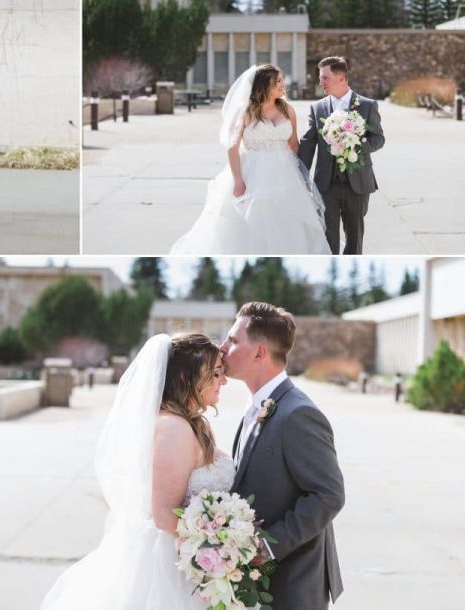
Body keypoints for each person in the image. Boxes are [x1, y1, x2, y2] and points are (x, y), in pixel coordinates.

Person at [40, 333, 233, 609]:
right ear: (184, 378)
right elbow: (165, 515)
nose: (222, 380)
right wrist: (223, 544)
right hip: (171, 570)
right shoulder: (174, 427)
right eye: (214, 373)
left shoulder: (184, 422)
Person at [221, 302, 345, 609]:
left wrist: (265, 546)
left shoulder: (298, 414)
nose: (222, 347)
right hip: (260, 585)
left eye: (233, 340)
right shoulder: (259, 405)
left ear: (260, 353)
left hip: (293, 584)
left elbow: (329, 495)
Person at [170, 64, 330, 255]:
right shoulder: (245, 112)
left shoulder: (288, 109)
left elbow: (294, 143)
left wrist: (300, 176)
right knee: (251, 219)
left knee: (284, 219)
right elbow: (232, 147)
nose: (282, 85)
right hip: (252, 171)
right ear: (264, 85)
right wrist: (238, 179)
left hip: (285, 172)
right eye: (277, 81)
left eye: (281, 80)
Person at [298, 56, 385, 254]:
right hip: (326, 184)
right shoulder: (317, 108)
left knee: (354, 240)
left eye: (325, 78)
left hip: (358, 183)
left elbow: (378, 138)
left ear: (341, 77)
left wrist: (357, 145)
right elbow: (308, 143)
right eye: (321, 78)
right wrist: (299, 176)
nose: (321, 82)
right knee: (328, 240)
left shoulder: (367, 105)